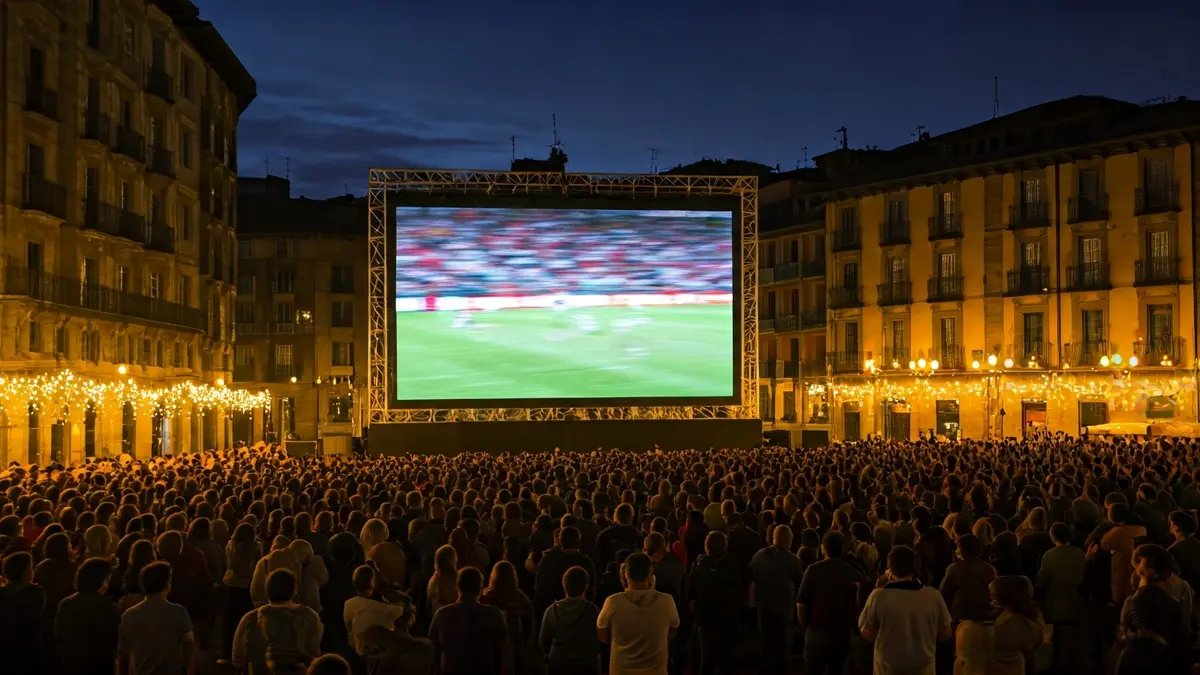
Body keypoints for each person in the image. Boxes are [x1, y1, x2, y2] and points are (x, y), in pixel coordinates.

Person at [858, 545, 952, 675]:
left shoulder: (878, 596)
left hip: (887, 668)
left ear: (890, 569)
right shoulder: (933, 596)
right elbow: (945, 633)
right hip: (923, 668)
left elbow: (866, 631)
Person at [597, 551, 680, 675]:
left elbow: (602, 633)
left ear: (625, 575)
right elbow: (672, 631)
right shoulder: (666, 601)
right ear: (651, 576)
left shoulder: (613, 602)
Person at [797, 530, 866, 675]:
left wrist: (805, 629)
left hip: (817, 631)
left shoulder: (813, 570)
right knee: (836, 669)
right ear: (842, 549)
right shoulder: (853, 573)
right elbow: (858, 606)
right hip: (841, 634)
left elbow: (801, 603)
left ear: (823, 548)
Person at [233, 568, 323, 675]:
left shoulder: (251, 618)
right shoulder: (309, 616)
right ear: (294, 590)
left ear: (266, 590)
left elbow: (237, 658)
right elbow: (314, 651)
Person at [117, 561, 196, 675]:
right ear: (167, 585)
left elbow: (123, 654)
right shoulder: (178, 612)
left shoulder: (128, 615)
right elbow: (189, 642)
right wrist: (183, 665)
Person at [428, 566, 511, 675]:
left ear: (457, 587)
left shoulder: (441, 615)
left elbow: (432, 652)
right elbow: (505, 656)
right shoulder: (494, 615)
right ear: (480, 589)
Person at [750, 524, 803, 675]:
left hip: (764, 607)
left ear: (773, 538)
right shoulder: (794, 560)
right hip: (785, 609)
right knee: (783, 645)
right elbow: (799, 584)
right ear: (789, 541)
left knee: (765, 643)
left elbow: (750, 579)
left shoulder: (759, 556)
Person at [55, 557, 122, 675]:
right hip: (100, 666)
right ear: (103, 581)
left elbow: (58, 635)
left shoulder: (66, 603)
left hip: (71, 664)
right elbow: (116, 642)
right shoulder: (108, 608)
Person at [688, 531, 742, 675]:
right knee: (728, 659)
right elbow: (739, 583)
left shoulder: (700, 563)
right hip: (728, 615)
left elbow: (691, 586)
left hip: (706, 615)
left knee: (706, 659)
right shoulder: (732, 561)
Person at [540, 565, 601, 675]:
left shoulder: (551, 611)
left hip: (558, 664)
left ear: (564, 584)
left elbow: (543, 641)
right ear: (586, 586)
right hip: (586, 665)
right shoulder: (592, 610)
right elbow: (600, 640)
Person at [343, 565, 408, 656]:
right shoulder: (382, 608)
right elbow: (403, 613)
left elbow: (349, 630)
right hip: (383, 655)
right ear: (372, 583)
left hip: (360, 653)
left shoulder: (348, 605)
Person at [0, 551, 47, 675]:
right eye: (31, 567)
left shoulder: (3, 593)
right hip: (30, 643)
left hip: (7, 645)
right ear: (25, 571)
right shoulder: (36, 592)